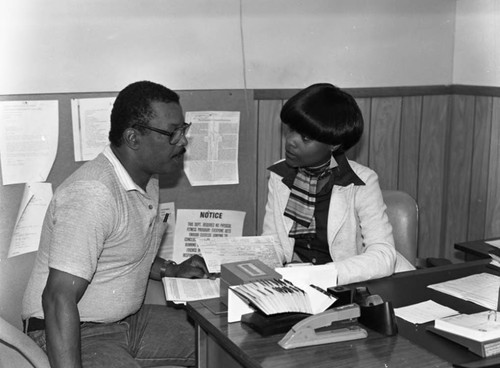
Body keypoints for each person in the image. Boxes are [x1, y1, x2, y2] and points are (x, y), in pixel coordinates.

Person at [22, 81, 209, 368]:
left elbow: (124, 250)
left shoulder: (147, 179)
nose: (182, 141)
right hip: (75, 330)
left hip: (128, 322)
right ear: (133, 138)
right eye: (173, 133)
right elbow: (58, 298)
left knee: (219, 342)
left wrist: (172, 270)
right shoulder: (93, 193)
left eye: (183, 130)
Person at [262, 83, 414, 286]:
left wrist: (322, 275)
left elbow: (383, 255)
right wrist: (217, 260)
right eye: (291, 130)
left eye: (305, 137)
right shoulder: (280, 175)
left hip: (348, 285)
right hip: (299, 285)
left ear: (333, 144)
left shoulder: (362, 181)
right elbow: (272, 245)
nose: (291, 141)